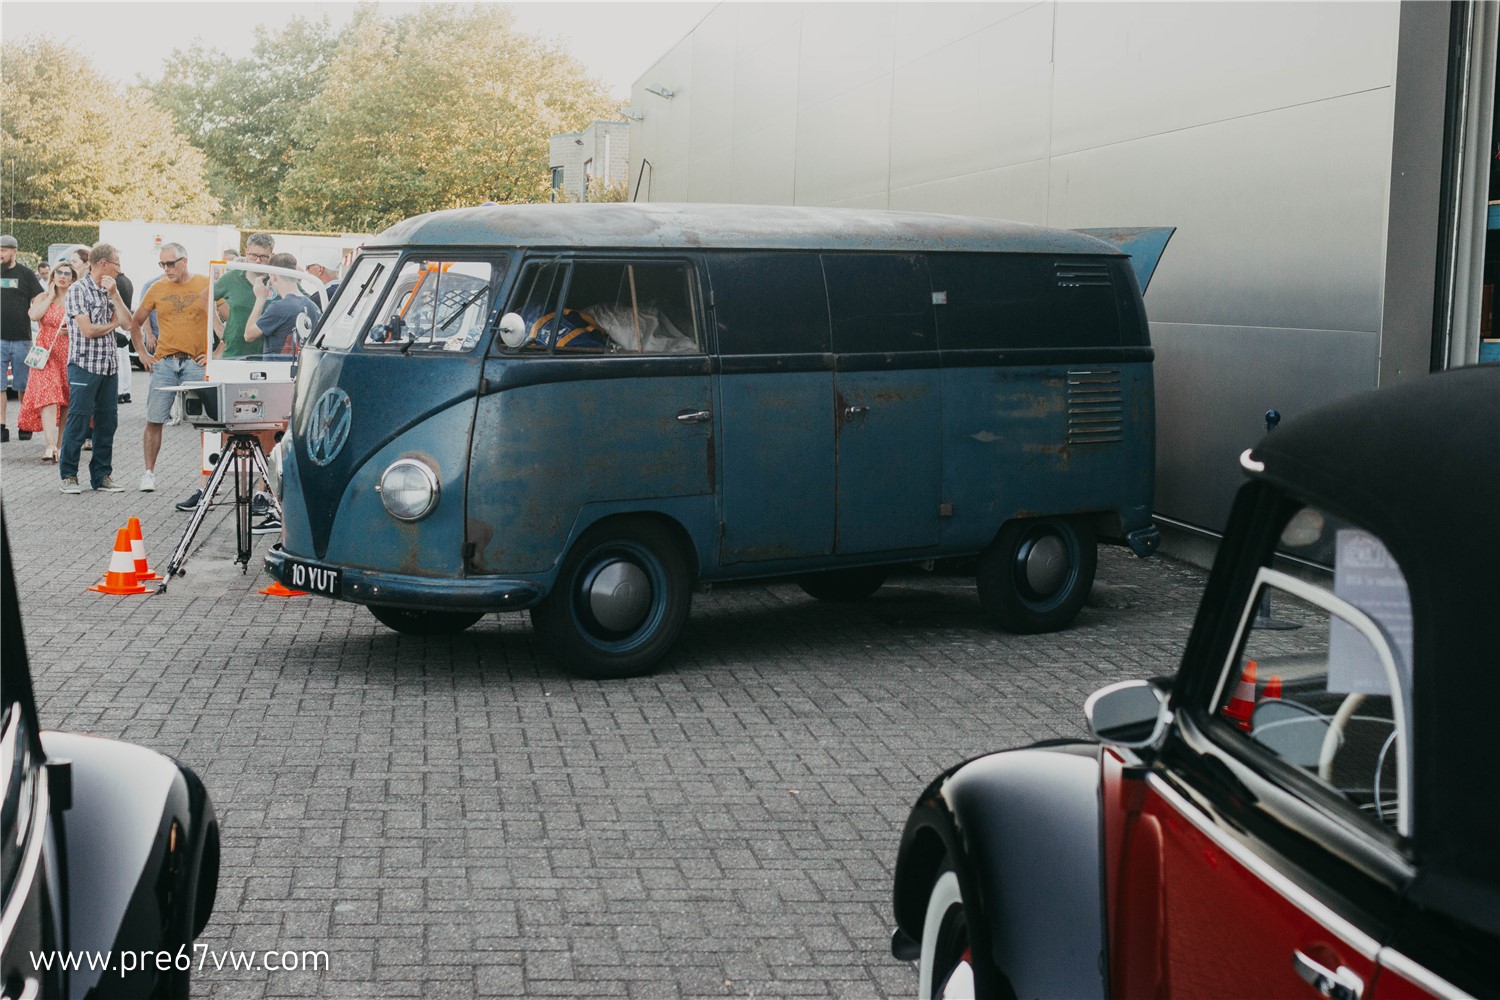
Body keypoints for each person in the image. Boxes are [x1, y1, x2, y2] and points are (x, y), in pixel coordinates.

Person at [132, 243, 210, 493]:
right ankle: (148, 473)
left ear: (184, 261)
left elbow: (229, 318)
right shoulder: (157, 287)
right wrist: (143, 353)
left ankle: (207, 476)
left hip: (195, 362)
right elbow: (135, 322)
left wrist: (215, 354)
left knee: (207, 423)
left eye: (171, 263)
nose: (166, 269)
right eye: (162, 264)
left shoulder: (205, 284)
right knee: (154, 419)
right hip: (165, 361)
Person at [58, 243, 133, 494]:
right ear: (103, 264)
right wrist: (112, 325)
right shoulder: (78, 290)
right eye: (117, 264)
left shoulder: (112, 291)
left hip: (109, 367)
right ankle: (68, 475)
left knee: (107, 422)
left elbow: (128, 323)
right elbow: (88, 331)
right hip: (84, 365)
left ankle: (101, 475)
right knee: (78, 420)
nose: (119, 269)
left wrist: (115, 296)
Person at [18, 262, 76, 461]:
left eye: (67, 274)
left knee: (66, 400)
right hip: (46, 355)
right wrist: (50, 296)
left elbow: (86, 324)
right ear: (53, 275)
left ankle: (60, 445)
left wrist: (72, 330)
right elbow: (33, 315)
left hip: (68, 354)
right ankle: (50, 445)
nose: (62, 276)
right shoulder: (44, 297)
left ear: (73, 278)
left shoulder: (76, 299)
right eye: (59, 272)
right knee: (48, 397)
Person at [1, 234, 44, 442]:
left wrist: (44, 327)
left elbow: (39, 301)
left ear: (14, 251)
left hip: (21, 339)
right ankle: (1, 426)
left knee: (22, 386)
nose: (0, 254)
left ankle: (24, 423)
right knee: (0, 386)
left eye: (3, 250)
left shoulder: (26, 274)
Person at [246, 253, 321, 356]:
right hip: (303, 368)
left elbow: (248, 335)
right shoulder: (313, 306)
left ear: (273, 276)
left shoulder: (279, 307)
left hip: (279, 369)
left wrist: (260, 299)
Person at [214, 233, 273, 358]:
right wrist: (218, 327)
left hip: (268, 358)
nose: (258, 260)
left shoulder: (278, 280)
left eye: (263, 257)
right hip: (234, 354)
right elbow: (205, 297)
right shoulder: (231, 278)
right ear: (246, 253)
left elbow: (302, 299)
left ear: (271, 255)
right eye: (254, 255)